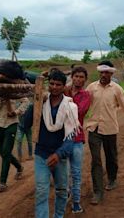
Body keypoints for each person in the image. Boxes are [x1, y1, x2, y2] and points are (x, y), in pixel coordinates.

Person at [24, 69, 79, 218]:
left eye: (58, 85)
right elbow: (25, 124)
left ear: (63, 86)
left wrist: (59, 154)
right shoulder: (42, 102)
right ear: (48, 84)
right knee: (41, 191)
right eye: (52, 84)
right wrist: (35, 103)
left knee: (61, 190)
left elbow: (71, 136)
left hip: (59, 156)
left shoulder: (70, 107)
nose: (54, 87)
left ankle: (58, 216)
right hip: (41, 153)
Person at [86, 60, 124, 205]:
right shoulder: (91, 88)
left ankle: (112, 178)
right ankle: (98, 192)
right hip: (93, 129)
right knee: (96, 160)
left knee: (111, 157)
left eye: (106, 72)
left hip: (110, 129)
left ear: (111, 73)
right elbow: (82, 103)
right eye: (101, 72)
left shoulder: (117, 89)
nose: (103, 74)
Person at [0, 90, 28, 192]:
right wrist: (0, 100)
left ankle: (3, 183)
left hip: (12, 123)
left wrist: (17, 112)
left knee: (6, 152)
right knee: (3, 153)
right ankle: (19, 167)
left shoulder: (13, 88)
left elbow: (25, 101)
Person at [64, 66, 91, 214]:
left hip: (77, 138)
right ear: (72, 77)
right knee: (64, 171)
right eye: (76, 76)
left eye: (82, 77)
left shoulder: (86, 95)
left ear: (85, 80)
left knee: (76, 172)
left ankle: (76, 202)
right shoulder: (63, 90)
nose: (79, 79)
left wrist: (66, 99)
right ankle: (67, 193)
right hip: (62, 138)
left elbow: (79, 111)